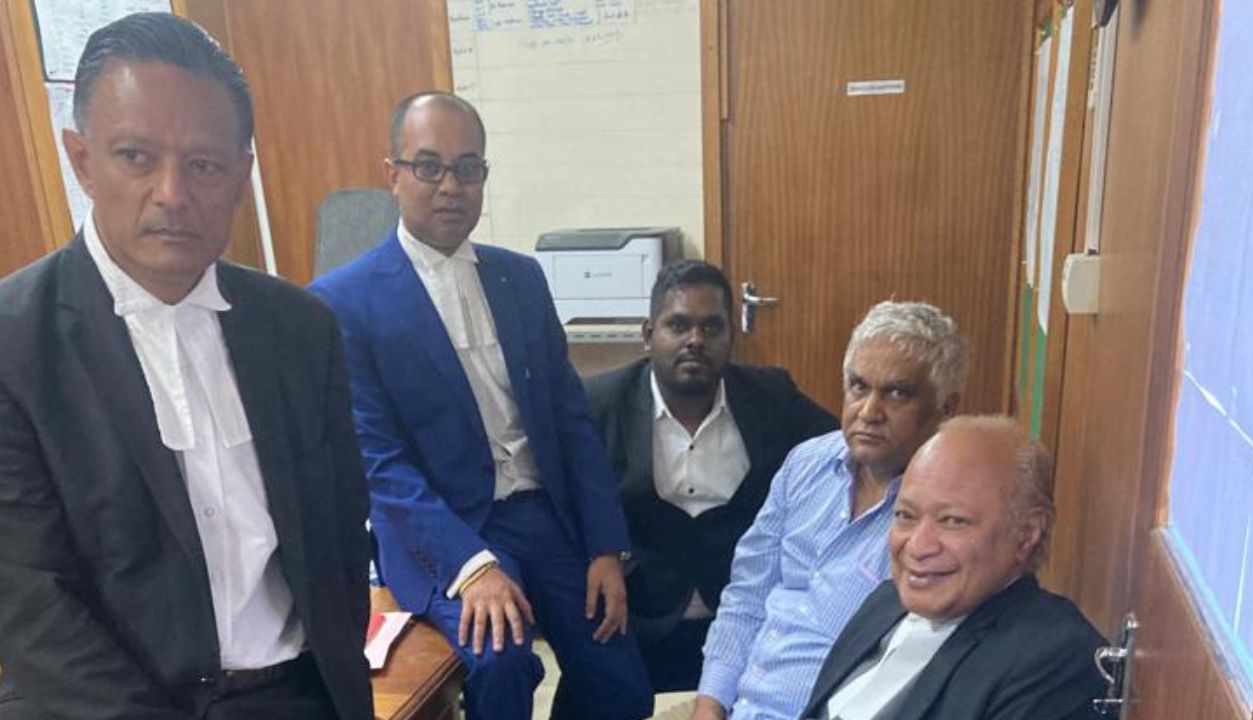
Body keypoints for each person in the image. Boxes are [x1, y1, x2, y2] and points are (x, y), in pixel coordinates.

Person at [0, 13, 372, 720]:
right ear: (82, 160)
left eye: (203, 165)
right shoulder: (15, 344)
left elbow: (341, 535)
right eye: (136, 157)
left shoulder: (301, 329)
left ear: (240, 177)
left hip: (295, 693)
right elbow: (28, 599)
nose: (172, 192)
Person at [310, 91, 651, 720]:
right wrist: (469, 566)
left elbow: (572, 422)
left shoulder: (521, 278)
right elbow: (380, 465)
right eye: (428, 166)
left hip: (543, 514)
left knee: (619, 676)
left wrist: (607, 546)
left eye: (468, 168)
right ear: (393, 174)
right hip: (442, 527)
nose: (450, 186)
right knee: (503, 662)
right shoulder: (343, 301)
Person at [691, 300, 969, 720]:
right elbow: (747, 595)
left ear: (945, 408)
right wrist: (710, 704)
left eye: (897, 393)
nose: (869, 412)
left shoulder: (947, 518)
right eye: (858, 387)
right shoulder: (805, 465)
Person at [584, 259, 837, 691]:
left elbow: (842, 450)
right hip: (636, 617)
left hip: (743, 619)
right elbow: (562, 492)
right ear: (648, 334)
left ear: (731, 337)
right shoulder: (600, 404)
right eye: (678, 325)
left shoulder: (771, 396)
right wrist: (600, 551)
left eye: (711, 327)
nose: (695, 340)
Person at [800, 415, 1106, 720]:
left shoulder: (1056, 658)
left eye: (952, 521)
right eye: (906, 515)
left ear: (1026, 533)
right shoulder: (884, 602)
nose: (918, 546)